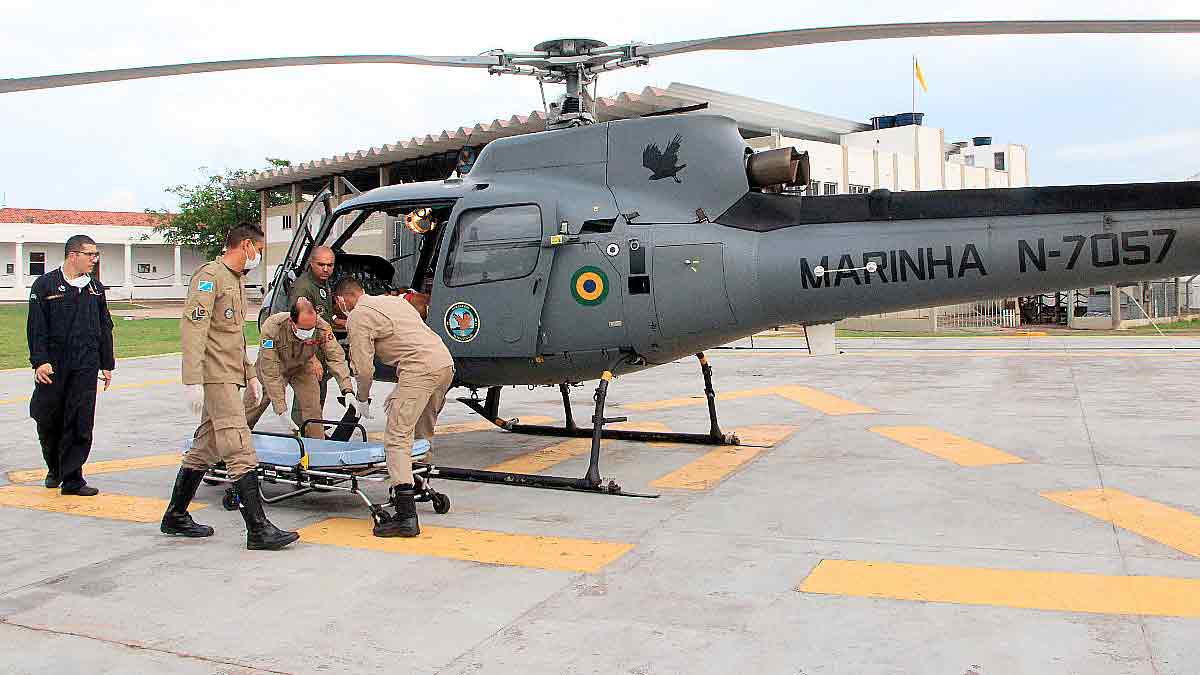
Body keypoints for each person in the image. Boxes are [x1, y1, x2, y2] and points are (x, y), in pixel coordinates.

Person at [159, 223, 299, 551]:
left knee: (206, 445)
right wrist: (192, 380)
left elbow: (233, 336)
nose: (258, 257)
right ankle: (258, 529)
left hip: (229, 374)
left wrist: (250, 373)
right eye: (259, 251)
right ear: (246, 245)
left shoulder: (235, 280)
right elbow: (194, 329)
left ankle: (176, 515)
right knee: (239, 446)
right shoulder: (210, 276)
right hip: (214, 376)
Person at [334, 276, 454, 538]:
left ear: (342, 300)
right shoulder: (394, 302)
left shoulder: (358, 316)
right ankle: (420, 485)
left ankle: (405, 516)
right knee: (423, 431)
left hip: (419, 369)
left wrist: (362, 399)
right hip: (444, 363)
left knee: (397, 438)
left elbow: (364, 368)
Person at [26, 235, 114, 496]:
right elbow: (36, 327)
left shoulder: (95, 288)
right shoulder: (45, 285)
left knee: (80, 421)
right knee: (47, 417)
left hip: (85, 365)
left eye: (96, 255)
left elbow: (105, 326)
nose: (94, 259)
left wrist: (106, 363)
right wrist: (40, 361)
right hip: (53, 366)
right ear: (73, 255)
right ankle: (55, 468)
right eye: (90, 254)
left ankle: (73, 478)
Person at [245, 297, 354, 439]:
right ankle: (236, 443)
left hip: (302, 366)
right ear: (292, 322)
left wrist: (347, 390)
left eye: (311, 329)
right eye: (303, 329)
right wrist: (281, 409)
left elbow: (336, 357)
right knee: (255, 403)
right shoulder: (272, 328)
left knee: (313, 409)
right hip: (273, 366)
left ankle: (317, 448)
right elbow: (270, 371)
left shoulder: (322, 327)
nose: (308, 334)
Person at [287, 246, 342, 432]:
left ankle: (314, 427)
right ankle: (304, 430)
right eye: (321, 264)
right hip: (306, 351)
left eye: (330, 265)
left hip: (319, 348)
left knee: (318, 393)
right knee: (307, 397)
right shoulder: (303, 288)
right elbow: (299, 327)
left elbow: (322, 314)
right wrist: (312, 359)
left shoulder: (321, 283)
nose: (326, 269)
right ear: (311, 263)